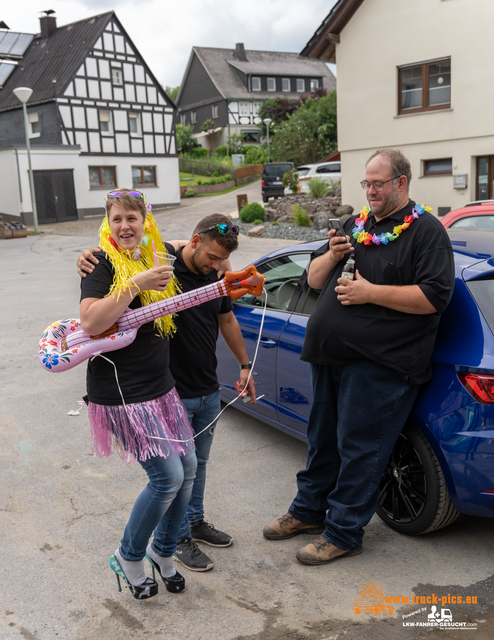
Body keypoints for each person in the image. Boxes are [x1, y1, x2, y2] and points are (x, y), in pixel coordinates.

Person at [263, 149, 455, 565]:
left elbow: (435, 297)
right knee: (322, 440)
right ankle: (308, 512)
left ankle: (344, 533)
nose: (370, 191)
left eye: (378, 184)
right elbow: (313, 280)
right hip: (332, 356)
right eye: (366, 183)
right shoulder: (357, 225)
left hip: (382, 363)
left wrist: (370, 293)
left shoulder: (427, 233)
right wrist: (331, 255)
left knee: (360, 449)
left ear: (401, 183)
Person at [78, 213, 256, 573]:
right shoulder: (156, 266)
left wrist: (244, 363)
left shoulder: (210, 274)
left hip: (197, 387)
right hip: (159, 391)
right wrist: (92, 253)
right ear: (193, 243)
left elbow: (227, 319)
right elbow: (95, 312)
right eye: (213, 258)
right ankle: (159, 546)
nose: (218, 266)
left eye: (223, 261)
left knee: (194, 466)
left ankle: (187, 528)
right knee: (169, 477)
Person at [80, 188, 197, 599]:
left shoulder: (156, 251)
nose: (125, 226)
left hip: (160, 388)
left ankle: (163, 554)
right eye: (117, 219)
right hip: (121, 394)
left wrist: (220, 250)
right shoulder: (100, 264)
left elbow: (194, 247)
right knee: (166, 479)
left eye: (133, 218)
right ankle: (129, 555)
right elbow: (92, 321)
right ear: (107, 224)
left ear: (145, 222)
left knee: (189, 470)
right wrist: (133, 284)